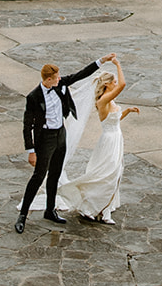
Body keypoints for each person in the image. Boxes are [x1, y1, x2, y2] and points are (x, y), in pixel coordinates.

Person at [15, 53, 113, 233]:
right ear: (48, 79)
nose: (60, 79)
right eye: (57, 77)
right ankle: (22, 215)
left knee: (55, 173)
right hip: (44, 139)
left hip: (61, 134)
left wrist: (102, 61)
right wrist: (31, 150)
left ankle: (50, 210)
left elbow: (80, 75)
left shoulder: (60, 84)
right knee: (38, 176)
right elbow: (27, 125)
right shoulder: (33, 97)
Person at [59, 56, 139, 224]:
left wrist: (127, 111)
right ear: (107, 84)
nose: (117, 83)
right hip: (109, 141)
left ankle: (103, 208)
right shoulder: (103, 101)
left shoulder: (110, 99)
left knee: (115, 173)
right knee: (108, 173)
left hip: (116, 138)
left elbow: (114, 119)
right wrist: (117, 64)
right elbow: (124, 85)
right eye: (114, 81)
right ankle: (101, 210)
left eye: (116, 81)